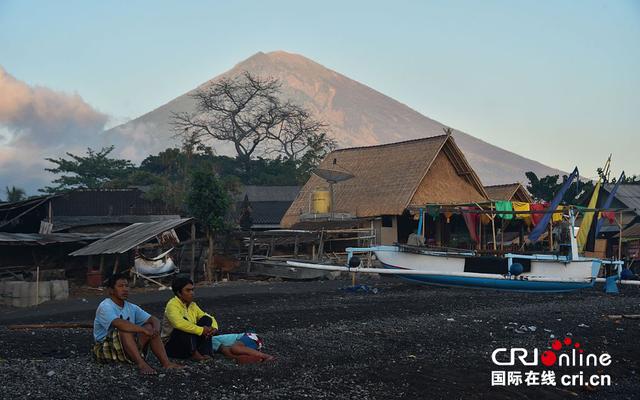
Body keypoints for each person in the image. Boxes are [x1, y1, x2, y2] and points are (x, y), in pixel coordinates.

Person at [92, 272, 182, 375]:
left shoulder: (131, 307)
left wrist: (155, 330)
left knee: (150, 326)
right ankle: (141, 364)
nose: (125, 289)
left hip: (127, 348)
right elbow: (118, 323)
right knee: (125, 329)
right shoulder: (105, 306)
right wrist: (143, 330)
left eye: (126, 286)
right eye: (120, 286)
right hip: (105, 349)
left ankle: (166, 363)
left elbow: (154, 319)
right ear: (111, 290)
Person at [161, 276, 218, 361]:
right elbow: (178, 324)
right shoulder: (172, 305)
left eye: (192, 290)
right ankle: (194, 353)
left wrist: (214, 328)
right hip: (172, 345)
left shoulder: (192, 305)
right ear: (179, 293)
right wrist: (201, 330)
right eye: (188, 290)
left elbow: (207, 316)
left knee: (206, 319)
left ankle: (205, 352)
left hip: (189, 340)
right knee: (183, 325)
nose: (192, 293)